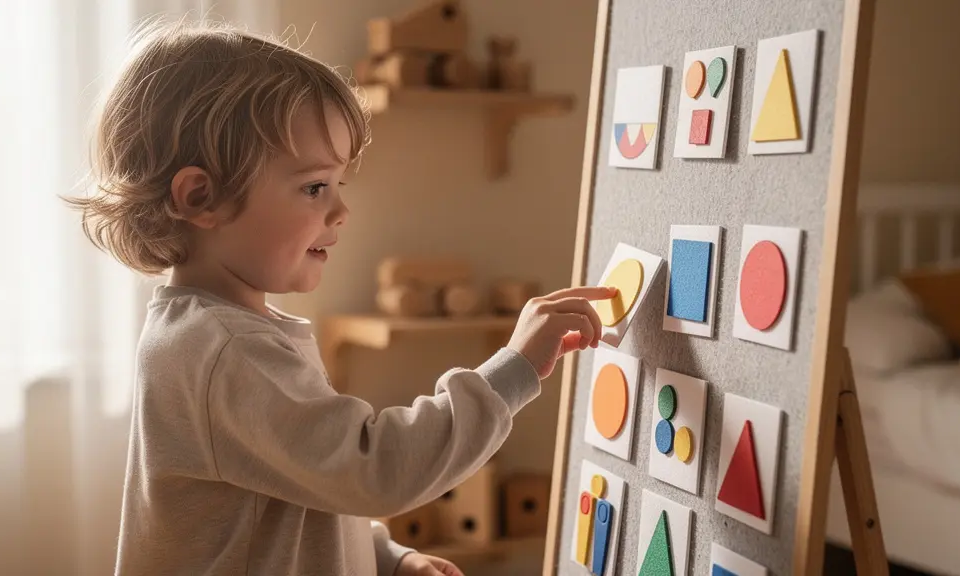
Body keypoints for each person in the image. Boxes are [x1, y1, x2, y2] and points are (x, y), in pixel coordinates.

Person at [65, 18, 616, 576]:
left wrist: (385, 558)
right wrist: (515, 369)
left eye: (338, 185)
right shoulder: (226, 351)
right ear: (201, 197)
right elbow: (375, 471)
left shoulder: (227, 333)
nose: (340, 212)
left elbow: (305, 489)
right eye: (313, 187)